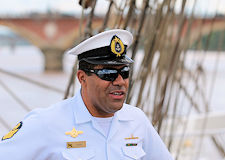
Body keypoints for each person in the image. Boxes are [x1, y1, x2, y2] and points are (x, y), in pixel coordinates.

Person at [0, 29, 173, 160]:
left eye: (125, 72)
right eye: (108, 74)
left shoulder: (136, 120)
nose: (120, 81)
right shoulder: (47, 123)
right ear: (82, 77)